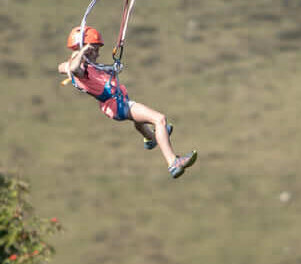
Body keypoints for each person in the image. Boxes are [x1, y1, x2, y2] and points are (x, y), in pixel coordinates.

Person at [58, 25, 197, 179]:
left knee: (139, 119)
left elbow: (68, 67)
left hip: (118, 103)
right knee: (159, 119)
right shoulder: (80, 69)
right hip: (118, 105)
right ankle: (173, 162)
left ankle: (150, 138)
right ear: (84, 48)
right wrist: (82, 52)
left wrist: (111, 69)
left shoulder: (89, 67)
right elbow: (71, 67)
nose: (97, 53)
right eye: (94, 49)